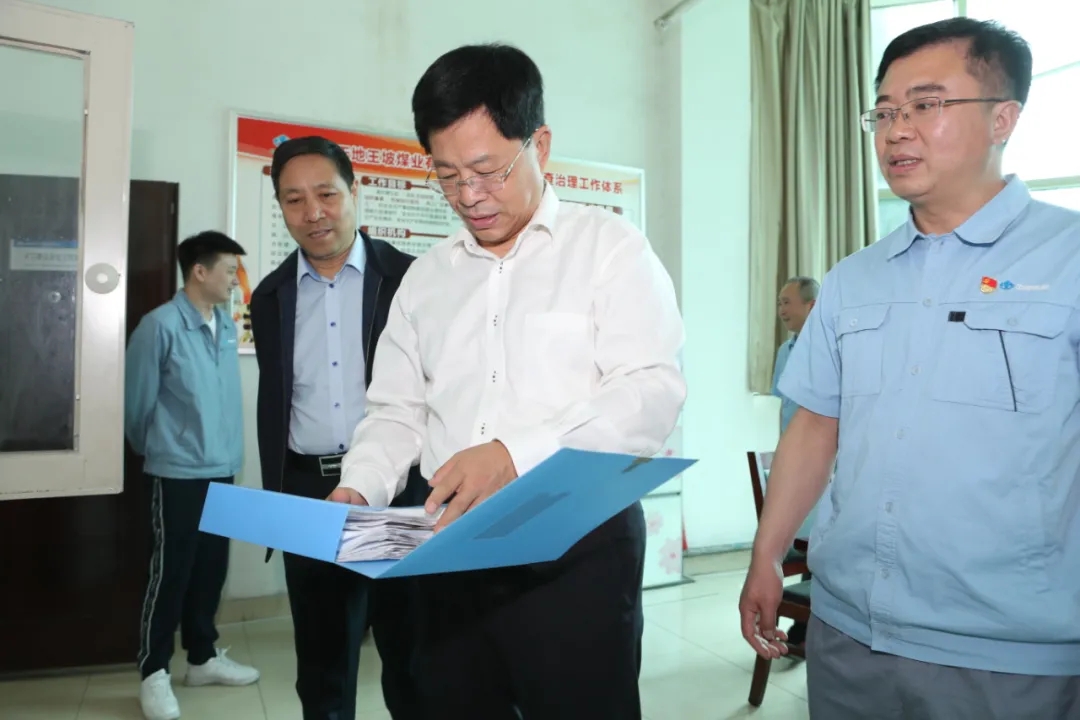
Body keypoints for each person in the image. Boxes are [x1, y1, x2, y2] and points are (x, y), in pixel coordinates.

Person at [327, 43, 685, 720]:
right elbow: (396, 411)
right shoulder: (426, 280)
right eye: (448, 175)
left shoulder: (609, 250)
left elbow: (649, 393)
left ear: (539, 145)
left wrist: (513, 456)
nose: (469, 196)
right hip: (446, 554)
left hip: (577, 555)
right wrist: (361, 486)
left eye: (488, 171)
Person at [739, 17, 1080, 720]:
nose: (897, 131)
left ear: (1003, 119)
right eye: (885, 112)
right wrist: (767, 554)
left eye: (926, 105)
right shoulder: (853, 279)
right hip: (847, 636)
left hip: (1010, 653)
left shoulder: (1067, 258)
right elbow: (816, 425)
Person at [249, 136, 424, 720]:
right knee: (324, 660)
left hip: (399, 490)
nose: (313, 212)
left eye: (326, 194)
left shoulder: (410, 280)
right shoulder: (271, 295)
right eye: (294, 199)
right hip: (312, 492)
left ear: (355, 191)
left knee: (413, 652)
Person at [125, 231, 259, 720]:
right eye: (228, 269)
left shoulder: (223, 324)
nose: (235, 280)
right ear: (199, 272)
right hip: (177, 471)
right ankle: (153, 671)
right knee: (171, 572)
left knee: (210, 569)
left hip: (222, 467)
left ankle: (201, 659)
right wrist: (162, 449)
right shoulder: (159, 326)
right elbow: (136, 406)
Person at [769, 275, 818, 650]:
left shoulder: (827, 348)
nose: (782, 310)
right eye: (779, 303)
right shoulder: (786, 350)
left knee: (819, 538)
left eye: (788, 302)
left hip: (819, 460)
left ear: (811, 305)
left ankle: (808, 623)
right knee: (794, 533)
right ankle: (794, 618)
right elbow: (783, 406)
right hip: (791, 457)